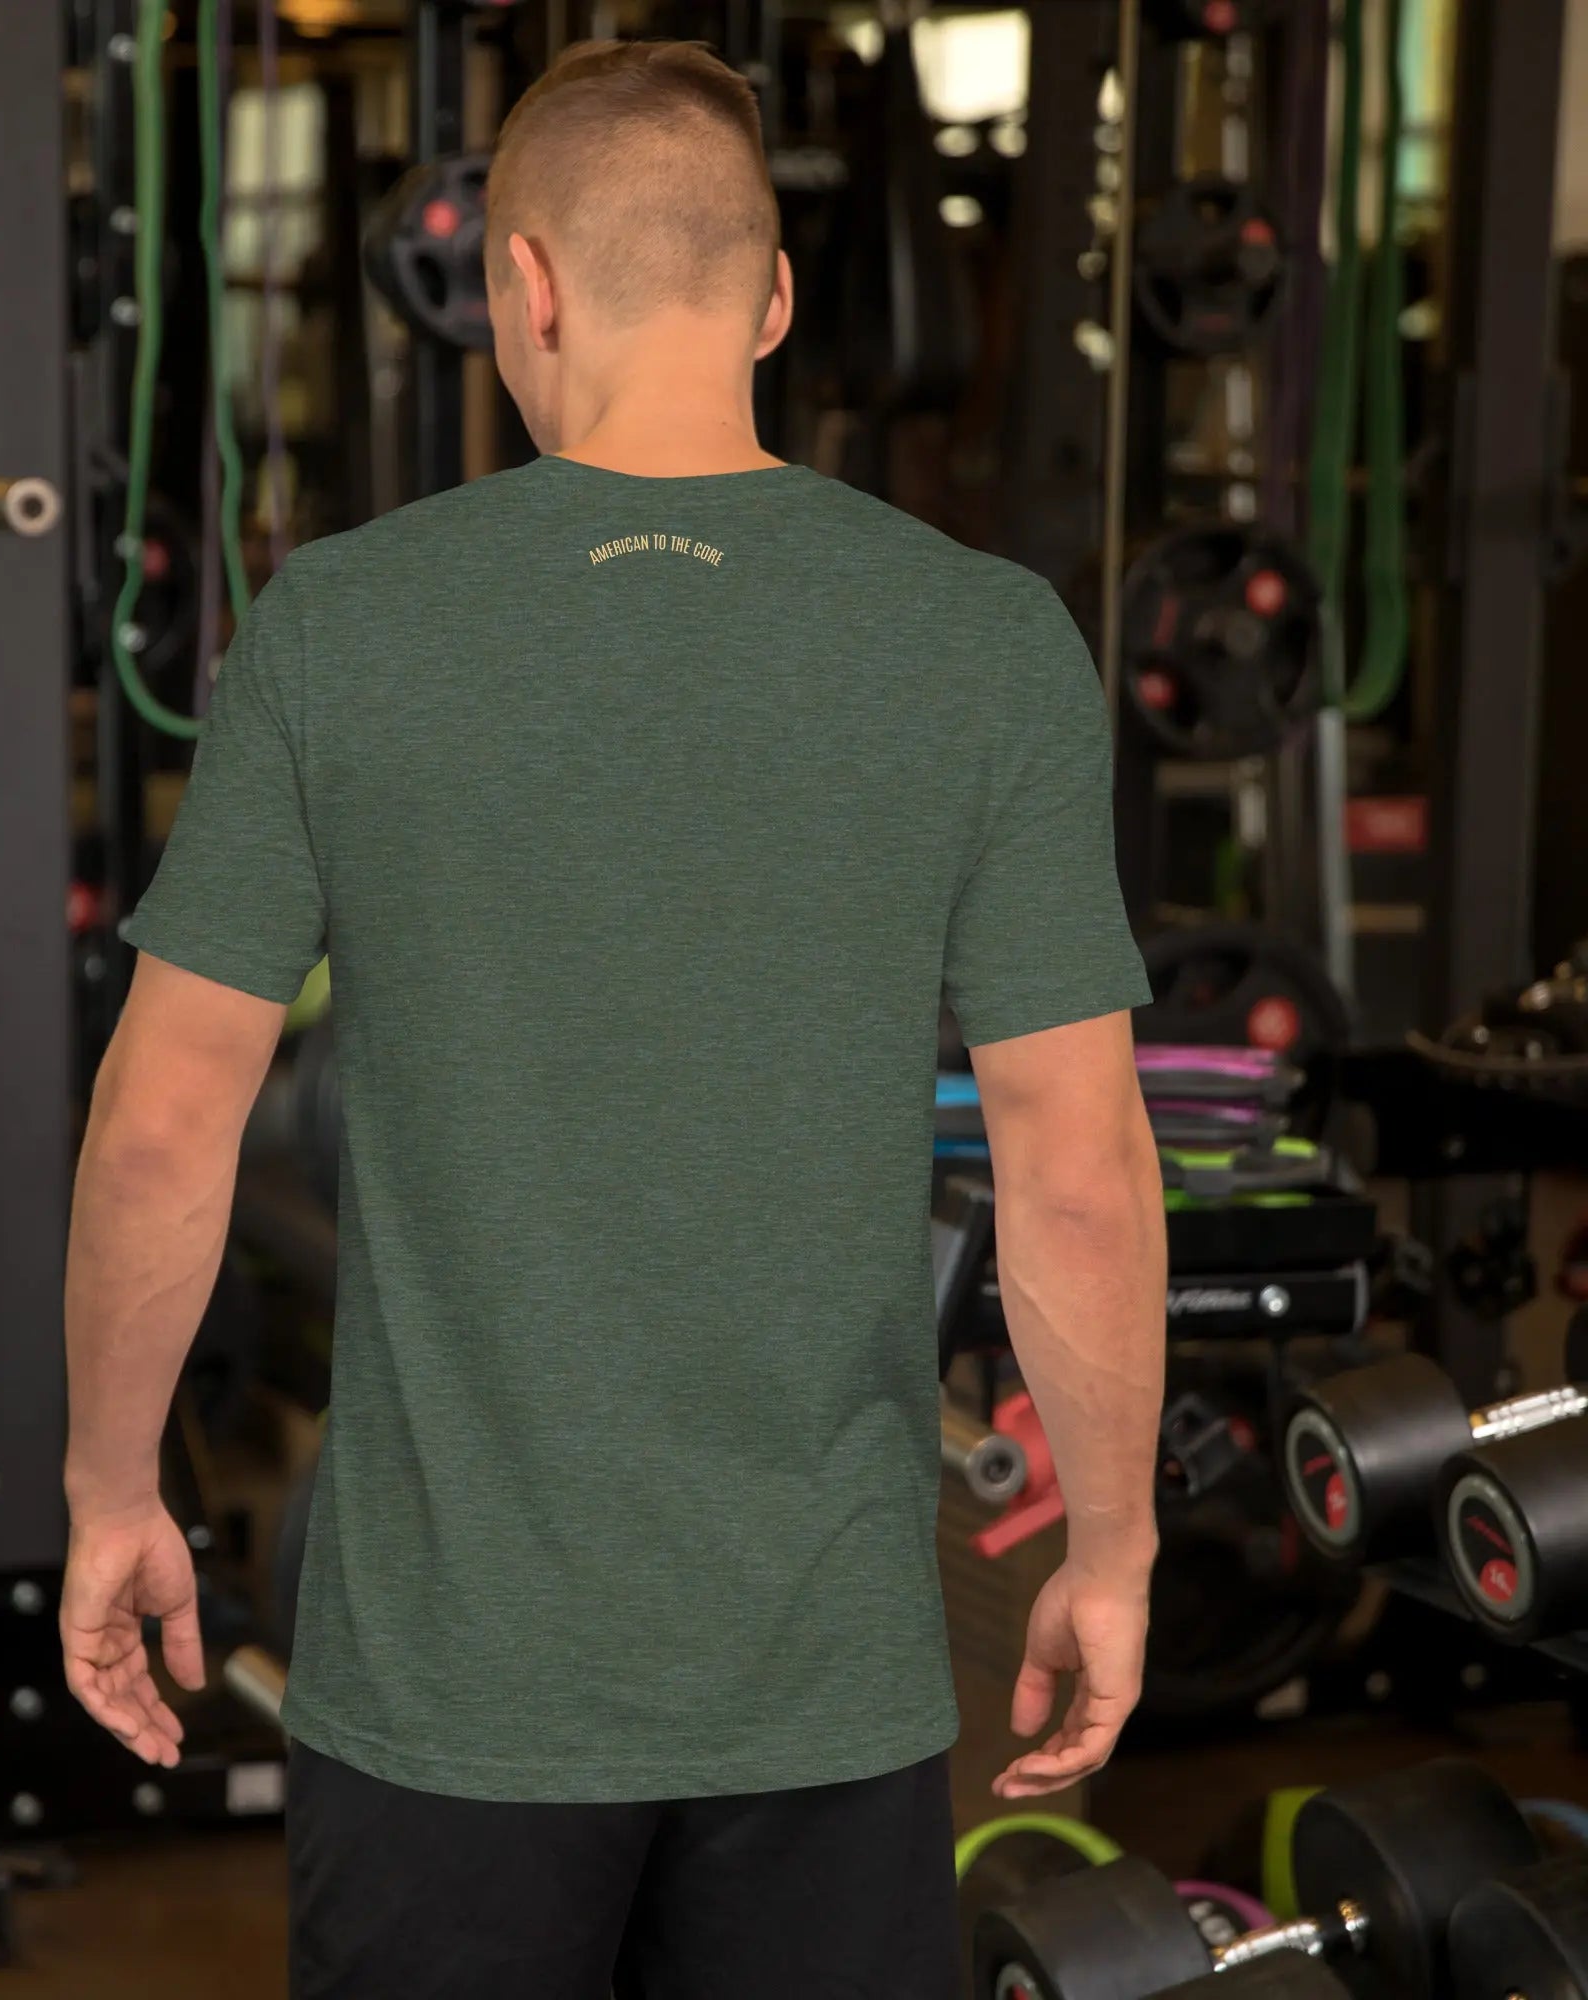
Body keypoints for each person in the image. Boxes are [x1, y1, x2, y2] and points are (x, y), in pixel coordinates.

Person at [61, 38, 1165, 2000]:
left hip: (447, 1693)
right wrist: (1115, 1548)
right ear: (776, 297)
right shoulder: (982, 640)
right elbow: (1070, 1162)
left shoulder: (341, 622)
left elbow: (162, 1128)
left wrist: (111, 1493)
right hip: (821, 1688)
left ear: (524, 284)